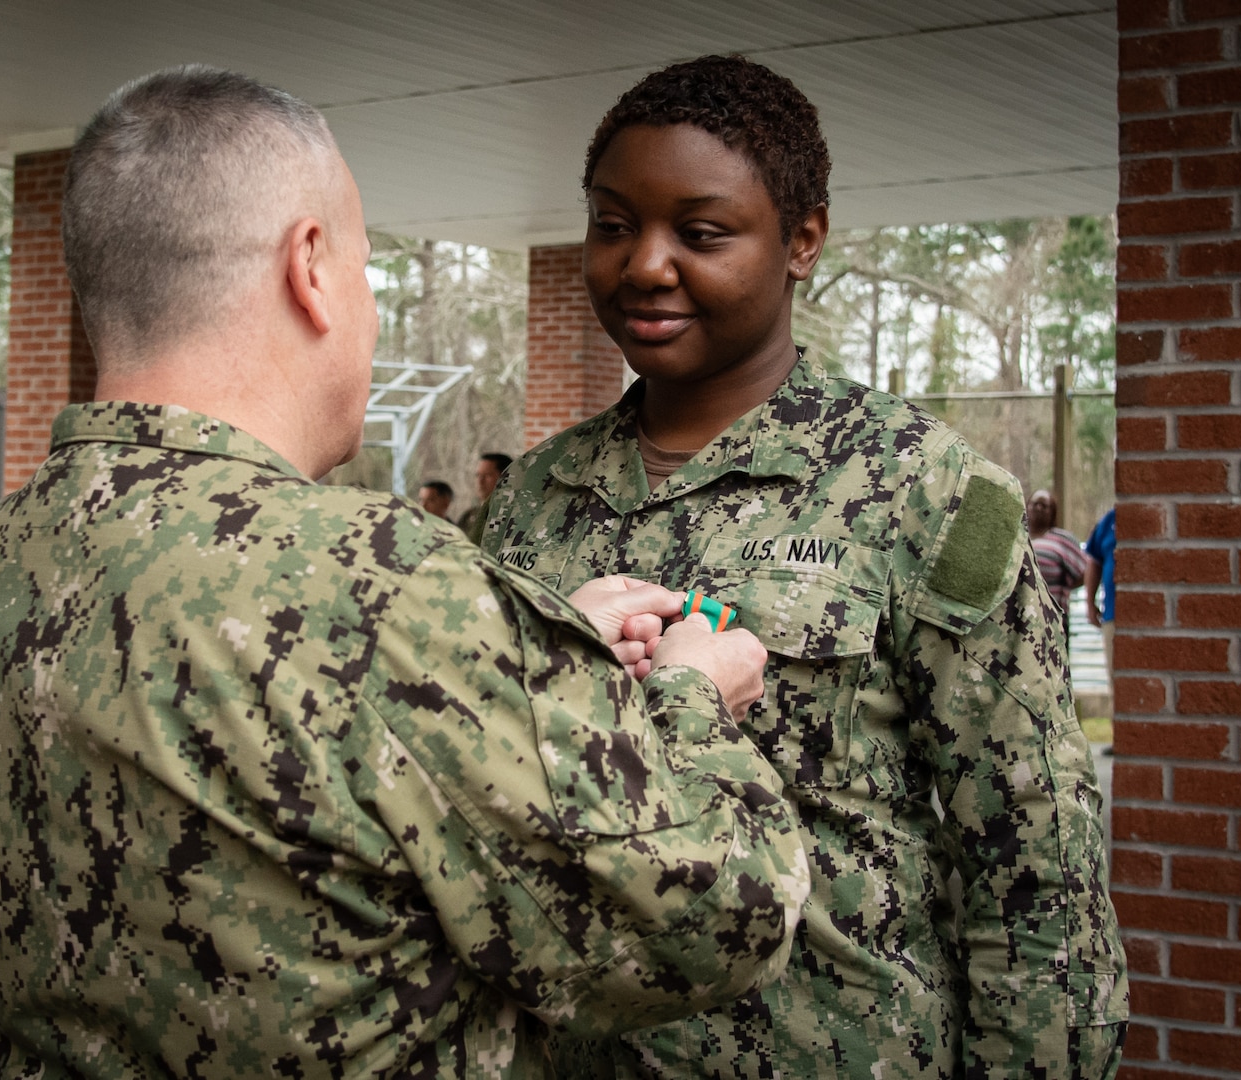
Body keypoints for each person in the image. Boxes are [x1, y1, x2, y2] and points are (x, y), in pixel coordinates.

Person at [0, 66, 817, 1079]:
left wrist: (534, 650)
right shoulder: (389, 589)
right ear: (312, 268)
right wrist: (686, 699)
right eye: (368, 271)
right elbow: (719, 918)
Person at [483, 55, 1127, 1078]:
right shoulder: (527, 502)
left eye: (700, 234)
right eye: (613, 225)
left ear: (803, 241)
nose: (645, 264)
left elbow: (1032, 865)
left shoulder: (929, 491)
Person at [1027, 488, 1087, 640]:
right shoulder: (1017, 535)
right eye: (1035, 504)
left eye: (1044, 506)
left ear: (1052, 512)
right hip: (1019, 616)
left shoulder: (1062, 539)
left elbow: (1085, 573)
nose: (1038, 508)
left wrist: (1063, 588)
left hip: (1052, 617)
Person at [1086, 505, 1118, 691]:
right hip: (1112, 615)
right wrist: (1090, 604)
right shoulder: (1110, 520)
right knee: (1116, 682)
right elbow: (1094, 562)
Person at [457, 451, 513, 545]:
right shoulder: (468, 516)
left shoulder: (513, 514)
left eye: (487, 475)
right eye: (478, 475)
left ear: (505, 478)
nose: (480, 481)